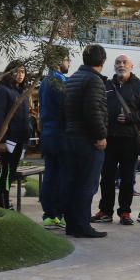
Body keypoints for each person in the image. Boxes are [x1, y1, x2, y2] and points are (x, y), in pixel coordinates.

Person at [93, 55, 140, 226]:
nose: (121, 65)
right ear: (113, 66)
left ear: (131, 66)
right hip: (109, 139)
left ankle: (125, 212)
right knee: (106, 177)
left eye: (124, 62)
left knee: (128, 179)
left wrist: (131, 117)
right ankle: (105, 211)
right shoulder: (106, 85)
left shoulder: (139, 86)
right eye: (118, 63)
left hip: (130, 140)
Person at [64, 44, 109, 239]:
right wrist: (100, 136)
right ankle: (82, 225)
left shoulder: (72, 79)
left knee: (73, 182)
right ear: (103, 61)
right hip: (88, 140)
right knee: (87, 184)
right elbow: (93, 110)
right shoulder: (94, 81)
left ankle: (72, 224)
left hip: (71, 137)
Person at [0, 60, 31, 210]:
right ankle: (3, 202)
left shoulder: (21, 92)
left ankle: (4, 201)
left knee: (11, 171)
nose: (20, 75)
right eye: (16, 71)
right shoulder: (2, 90)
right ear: (9, 72)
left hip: (20, 138)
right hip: (8, 139)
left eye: (22, 72)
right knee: (6, 170)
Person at [39, 47, 71, 228]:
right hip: (61, 134)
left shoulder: (44, 81)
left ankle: (49, 214)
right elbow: (67, 109)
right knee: (62, 176)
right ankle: (59, 213)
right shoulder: (61, 81)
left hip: (48, 134)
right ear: (59, 61)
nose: (68, 64)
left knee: (50, 175)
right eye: (67, 60)